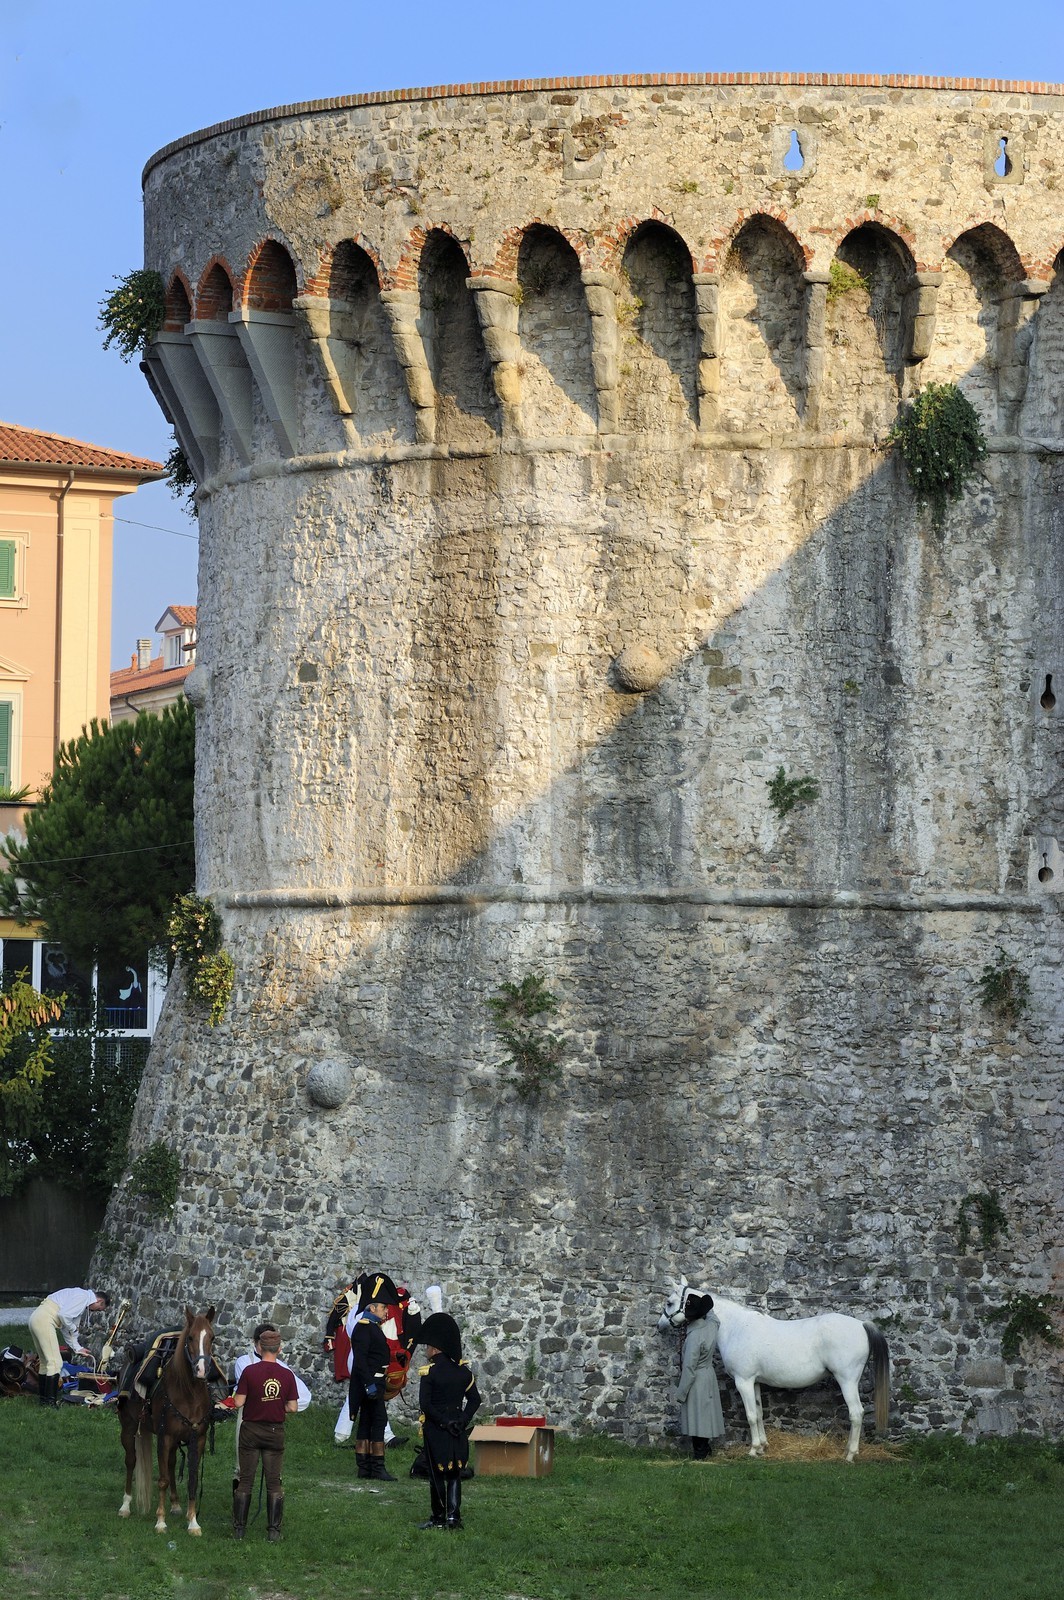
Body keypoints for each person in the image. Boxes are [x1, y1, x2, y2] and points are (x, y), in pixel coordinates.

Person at [415, 1311, 481, 1531]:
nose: (426, 1350)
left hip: (437, 1429)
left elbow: (426, 1405)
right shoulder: (463, 1373)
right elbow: (475, 1400)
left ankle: (438, 1518)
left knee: (436, 1474)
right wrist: (462, 1420)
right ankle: (453, 1518)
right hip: (458, 1428)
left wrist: (443, 1422)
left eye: (428, 1346)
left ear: (435, 1349)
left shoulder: (430, 1372)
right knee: (454, 1473)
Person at [232, 1329, 300, 1542]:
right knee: (274, 1482)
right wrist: (277, 1405)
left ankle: (239, 1530)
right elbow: (293, 1407)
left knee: (245, 1480)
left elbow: (238, 1402)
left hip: (250, 1431)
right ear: (280, 1349)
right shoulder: (287, 1375)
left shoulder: (249, 1371)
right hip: (274, 1432)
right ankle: (273, 1532)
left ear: (260, 1348)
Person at [232, 1323, 311, 1485]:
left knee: (274, 1472)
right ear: (256, 1343)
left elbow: (303, 1397)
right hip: (249, 1419)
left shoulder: (283, 1369)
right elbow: (243, 1398)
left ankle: (272, 1490)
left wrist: (278, 1405)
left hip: (272, 1422)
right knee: (243, 1467)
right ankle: (240, 1490)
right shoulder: (244, 1362)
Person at [348, 1274, 397, 1481]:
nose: (386, 1311)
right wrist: (370, 1384)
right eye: (383, 1307)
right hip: (370, 1382)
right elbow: (360, 1360)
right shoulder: (364, 1328)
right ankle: (376, 1467)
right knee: (378, 1421)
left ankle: (365, 1468)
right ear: (373, 1308)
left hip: (375, 1381)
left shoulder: (371, 1328)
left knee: (368, 1420)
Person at [28, 1287, 109, 1408]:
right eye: (98, 1309)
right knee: (55, 1363)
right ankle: (50, 1404)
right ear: (99, 1301)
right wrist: (73, 1328)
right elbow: (64, 1316)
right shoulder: (83, 1297)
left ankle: (44, 1401)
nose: (95, 1311)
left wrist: (77, 1348)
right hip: (44, 1320)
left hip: (36, 1318)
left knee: (45, 1363)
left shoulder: (81, 1298)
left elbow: (67, 1328)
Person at [676, 1292, 725, 1460]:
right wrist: (704, 1306)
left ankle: (700, 1452)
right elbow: (714, 1318)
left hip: (696, 1378)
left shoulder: (694, 1336)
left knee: (696, 1416)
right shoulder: (711, 1326)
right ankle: (705, 1448)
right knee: (705, 1414)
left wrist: (681, 1392)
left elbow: (689, 1366)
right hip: (709, 1374)